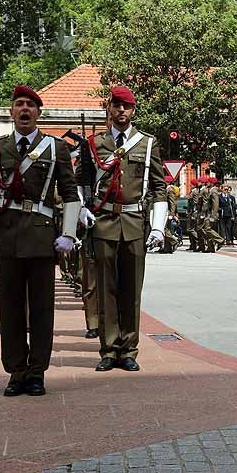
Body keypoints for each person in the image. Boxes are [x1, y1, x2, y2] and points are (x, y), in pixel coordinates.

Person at [0, 85, 79, 396]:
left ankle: (37, 372)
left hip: (41, 235)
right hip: (6, 236)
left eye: (30, 106)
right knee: (11, 307)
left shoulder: (54, 148)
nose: (24, 110)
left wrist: (68, 233)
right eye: (19, 105)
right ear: (11, 112)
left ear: (38, 113)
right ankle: (16, 371)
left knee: (42, 309)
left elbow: (71, 194)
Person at [74, 86, 166, 374]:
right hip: (103, 223)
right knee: (106, 290)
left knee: (131, 291)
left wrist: (159, 227)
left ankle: (128, 350)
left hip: (135, 224)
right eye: (117, 106)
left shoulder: (147, 144)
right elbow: (80, 182)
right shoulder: (94, 144)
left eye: (127, 107)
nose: (122, 111)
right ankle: (108, 349)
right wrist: (82, 209)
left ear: (134, 111)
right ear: (109, 109)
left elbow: (159, 186)